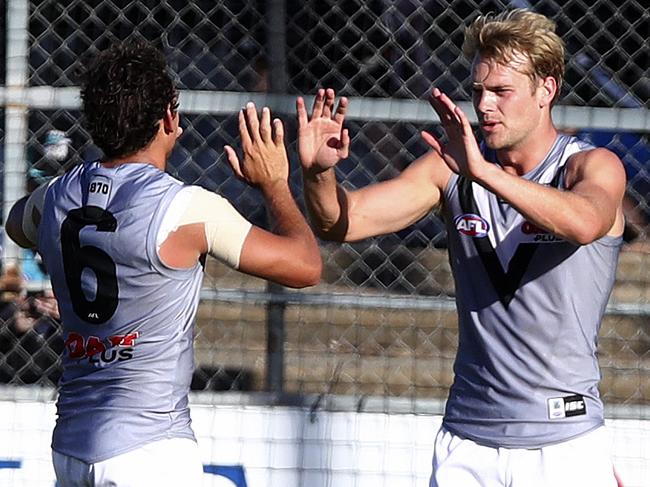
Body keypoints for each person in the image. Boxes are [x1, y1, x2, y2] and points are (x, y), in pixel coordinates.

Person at [297, 9, 625, 487]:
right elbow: (340, 223)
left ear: (546, 91)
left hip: (563, 445)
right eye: (477, 92)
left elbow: (585, 222)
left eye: (501, 92)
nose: (485, 106)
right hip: (467, 443)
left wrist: (484, 173)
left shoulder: (590, 166)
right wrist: (317, 173)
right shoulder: (449, 170)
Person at [5, 40, 321, 487]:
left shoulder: (56, 195)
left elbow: (17, 223)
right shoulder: (186, 209)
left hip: (72, 448)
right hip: (149, 452)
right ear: (170, 119)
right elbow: (305, 265)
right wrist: (274, 184)